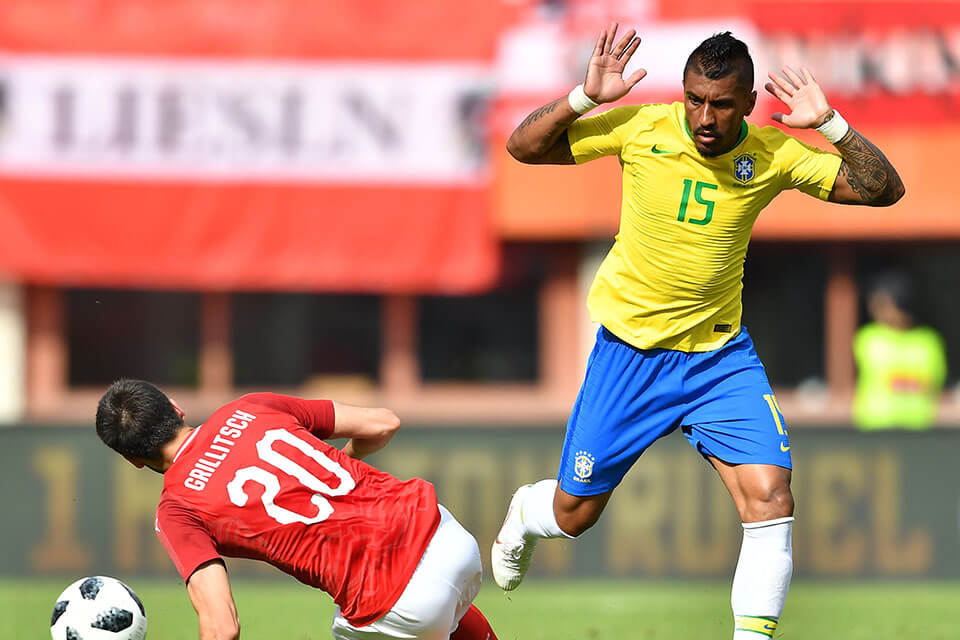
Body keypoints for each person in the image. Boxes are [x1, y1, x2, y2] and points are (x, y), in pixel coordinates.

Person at [492, 24, 904, 640]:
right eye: (694, 99)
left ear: (748, 104)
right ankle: (527, 511)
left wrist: (831, 125)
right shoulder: (642, 128)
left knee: (770, 496)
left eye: (721, 103)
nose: (704, 116)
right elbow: (523, 148)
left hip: (719, 359)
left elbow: (884, 191)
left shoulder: (770, 155)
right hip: (630, 356)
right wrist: (583, 98)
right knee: (572, 516)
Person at [95, 379, 497, 640]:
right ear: (175, 407)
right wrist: (345, 459)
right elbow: (382, 423)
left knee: (420, 616)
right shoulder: (250, 406)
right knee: (442, 615)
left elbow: (222, 627)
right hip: (445, 533)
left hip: (391, 599)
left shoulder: (177, 508)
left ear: (132, 460)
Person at [853, 272, 947, 430]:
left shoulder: (928, 341)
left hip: (919, 429)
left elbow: (936, 382)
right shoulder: (867, 338)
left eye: (883, 304)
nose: (876, 310)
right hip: (874, 428)